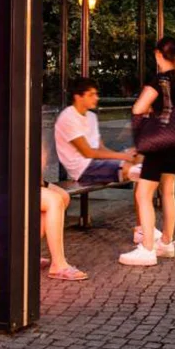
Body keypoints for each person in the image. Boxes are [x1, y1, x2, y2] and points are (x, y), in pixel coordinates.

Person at [120, 37, 175, 266]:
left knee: (143, 194)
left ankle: (147, 248)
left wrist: (150, 110)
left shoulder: (159, 80)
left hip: (158, 142)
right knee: (168, 192)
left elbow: (139, 108)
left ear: (158, 54)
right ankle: (167, 243)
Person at [55, 78, 139, 185]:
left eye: (96, 94)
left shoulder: (91, 116)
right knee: (129, 169)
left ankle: (148, 195)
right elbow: (88, 153)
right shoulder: (68, 117)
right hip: (82, 169)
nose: (96, 98)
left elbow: (101, 148)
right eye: (91, 95)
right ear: (78, 97)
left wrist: (124, 154)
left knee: (138, 159)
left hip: (96, 163)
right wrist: (123, 156)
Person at [39, 148, 86, 281]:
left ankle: (27, 252)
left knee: (63, 196)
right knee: (54, 200)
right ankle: (58, 265)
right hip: (9, 179)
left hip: (29, 176)